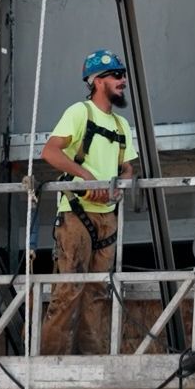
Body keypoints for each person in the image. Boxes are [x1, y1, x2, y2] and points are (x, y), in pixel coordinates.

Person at [36, 49, 140, 355]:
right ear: (97, 81)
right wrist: (85, 176)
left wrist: (124, 179)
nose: (123, 81)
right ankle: (52, 362)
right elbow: (51, 152)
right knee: (70, 288)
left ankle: (90, 360)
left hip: (106, 215)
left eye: (123, 75)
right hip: (77, 213)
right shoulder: (80, 113)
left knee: (97, 291)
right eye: (116, 75)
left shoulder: (121, 126)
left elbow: (127, 165)